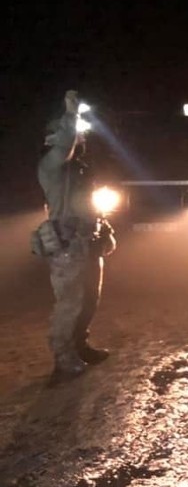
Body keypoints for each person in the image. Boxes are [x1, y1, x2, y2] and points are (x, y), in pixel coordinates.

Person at [36, 89, 116, 380]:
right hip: (67, 246)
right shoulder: (51, 167)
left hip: (87, 242)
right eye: (74, 134)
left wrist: (104, 230)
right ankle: (63, 357)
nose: (81, 137)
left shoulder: (78, 169)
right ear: (53, 138)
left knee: (90, 299)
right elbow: (64, 146)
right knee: (69, 302)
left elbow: (91, 205)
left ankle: (80, 346)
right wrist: (71, 113)